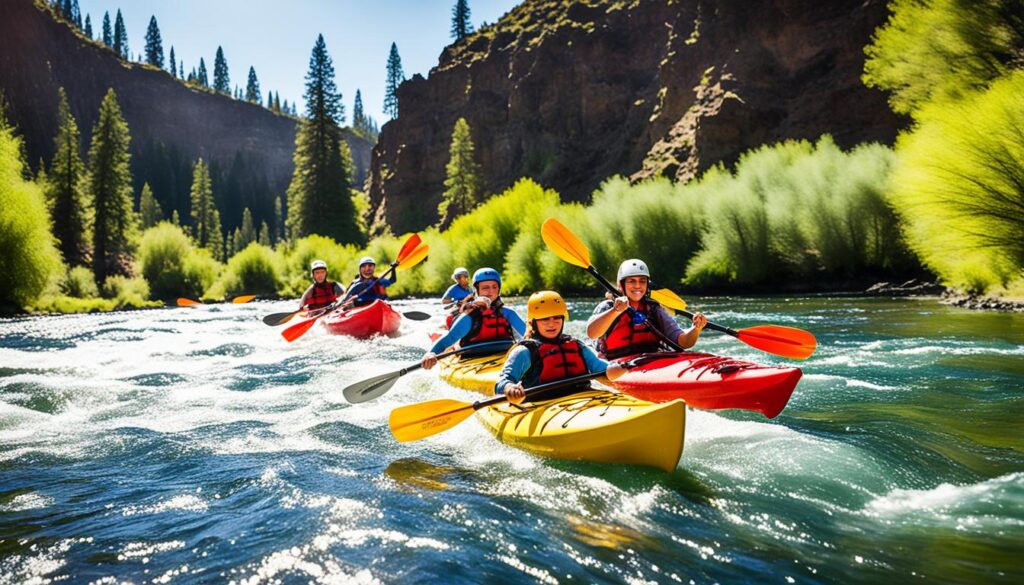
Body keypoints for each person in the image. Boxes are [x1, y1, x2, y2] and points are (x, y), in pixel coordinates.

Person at [496, 291, 625, 404]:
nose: (552, 324)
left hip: (583, 397)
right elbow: (502, 382)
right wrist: (510, 388)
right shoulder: (525, 351)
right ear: (533, 322)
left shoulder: (576, 345)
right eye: (545, 319)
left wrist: (618, 368)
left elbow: (599, 367)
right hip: (542, 403)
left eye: (557, 318)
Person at [586, 259, 707, 359]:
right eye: (632, 281)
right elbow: (592, 333)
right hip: (615, 363)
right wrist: (615, 311)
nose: (637, 286)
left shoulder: (653, 309)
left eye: (642, 281)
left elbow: (684, 342)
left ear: (647, 284)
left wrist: (696, 329)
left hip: (650, 362)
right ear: (620, 285)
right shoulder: (608, 306)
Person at [420, 268, 526, 369]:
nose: (491, 291)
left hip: (504, 356)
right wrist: (431, 353)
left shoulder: (508, 314)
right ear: (477, 291)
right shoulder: (470, 316)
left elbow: (528, 335)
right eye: (485, 288)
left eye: (494, 287)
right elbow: (448, 339)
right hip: (472, 359)